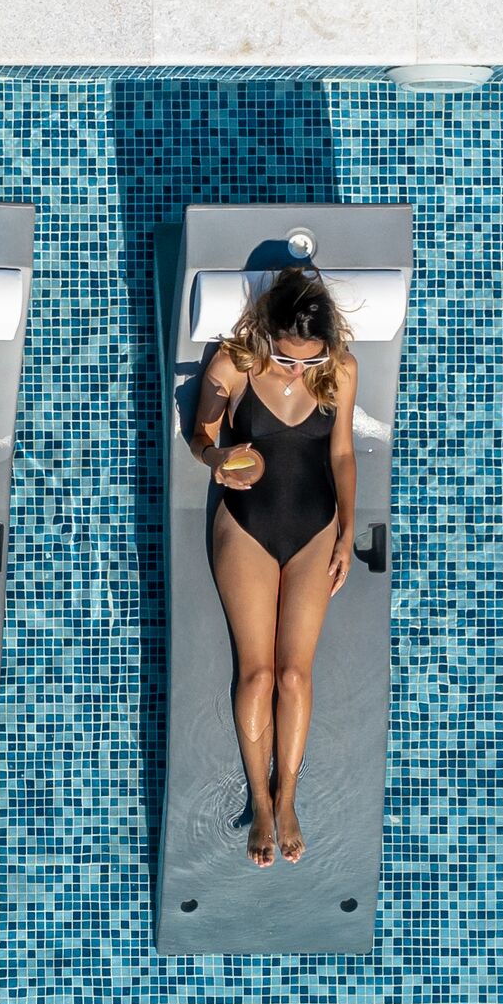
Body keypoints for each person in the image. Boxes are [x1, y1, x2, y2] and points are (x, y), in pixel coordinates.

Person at [185, 265, 357, 867]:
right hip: (248, 526)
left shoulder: (341, 368)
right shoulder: (236, 364)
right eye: (288, 358)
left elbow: (340, 452)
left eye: (310, 362)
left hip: (314, 528)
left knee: (294, 678)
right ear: (268, 334)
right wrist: (219, 454)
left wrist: (346, 533)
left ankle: (289, 799)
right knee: (257, 676)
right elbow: (199, 435)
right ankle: (260, 802)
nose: (298, 371)